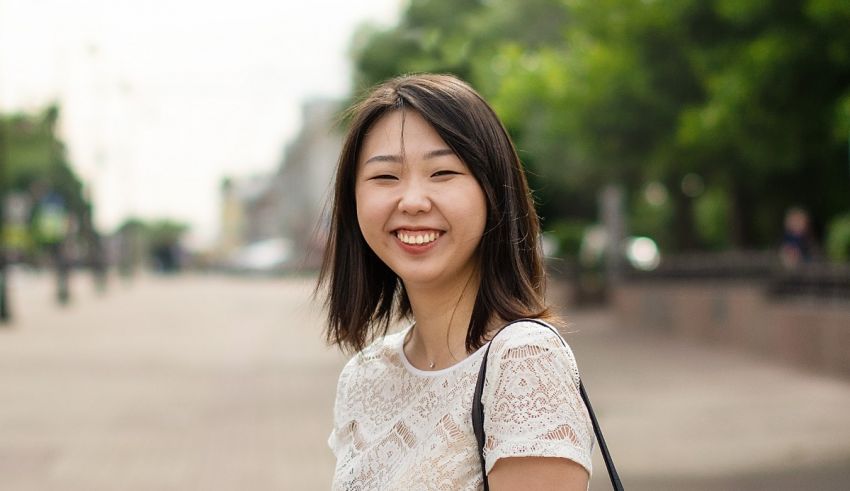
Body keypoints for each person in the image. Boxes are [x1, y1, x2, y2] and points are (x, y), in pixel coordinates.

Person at [320, 74, 593, 490]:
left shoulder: (523, 362)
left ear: (493, 191)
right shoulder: (366, 375)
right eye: (385, 178)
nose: (411, 201)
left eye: (443, 172)